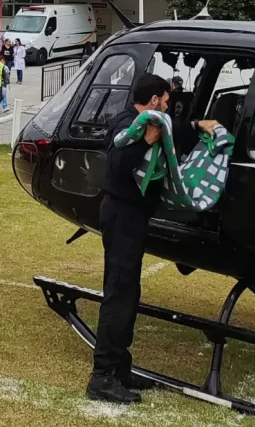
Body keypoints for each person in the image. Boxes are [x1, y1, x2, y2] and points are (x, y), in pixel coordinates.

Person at [88, 74, 219, 405]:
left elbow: (174, 130)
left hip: (134, 216)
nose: (167, 103)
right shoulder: (126, 124)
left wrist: (201, 125)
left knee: (130, 292)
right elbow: (118, 164)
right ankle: (101, 377)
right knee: (119, 292)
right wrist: (146, 140)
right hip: (121, 214)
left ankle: (120, 367)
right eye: (164, 98)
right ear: (153, 99)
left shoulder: (155, 122)